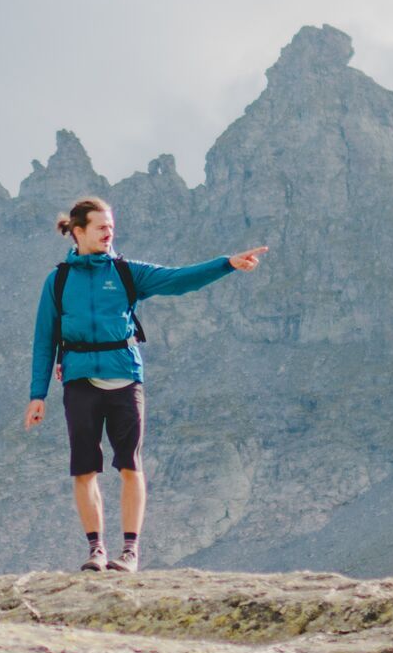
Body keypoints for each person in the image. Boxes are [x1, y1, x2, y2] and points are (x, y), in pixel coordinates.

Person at [24, 197, 266, 572]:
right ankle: (96, 550)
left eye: (111, 227)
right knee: (84, 469)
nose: (109, 232)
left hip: (125, 377)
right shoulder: (57, 280)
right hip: (78, 379)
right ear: (78, 231)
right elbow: (44, 339)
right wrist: (37, 395)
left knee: (129, 465)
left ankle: (130, 553)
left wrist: (227, 265)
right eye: (101, 227)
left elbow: (178, 279)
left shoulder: (125, 272)